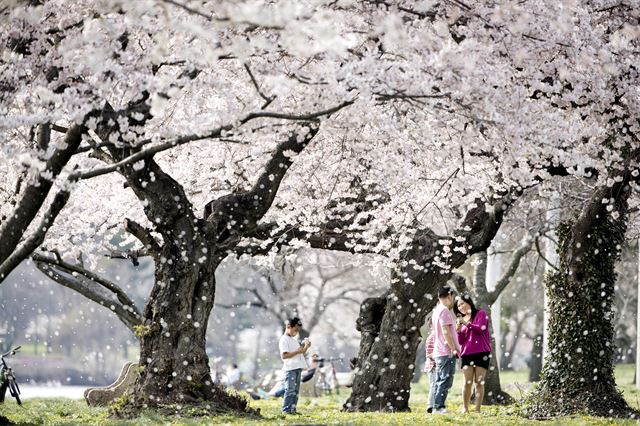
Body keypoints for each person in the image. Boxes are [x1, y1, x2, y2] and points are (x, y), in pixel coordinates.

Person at [454, 292, 491, 413]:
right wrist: (459, 331)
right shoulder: (462, 320)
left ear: (469, 302)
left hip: (481, 352)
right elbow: (461, 341)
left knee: (479, 382)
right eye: (458, 306)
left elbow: (480, 330)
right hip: (467, 353)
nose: (461, 307)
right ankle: (465, 408)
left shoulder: (481, 313)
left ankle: (477, 409)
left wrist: (466, 324)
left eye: (462, 304)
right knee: (467, 382)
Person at [431, 285, 460, 414]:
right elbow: (445, 331)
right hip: (445, 351)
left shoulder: (437, 310)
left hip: (439, 350)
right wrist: (453, 348)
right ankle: (439, 407)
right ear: (450, 296)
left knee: (439, 380)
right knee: (445, 380)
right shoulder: (444, 311)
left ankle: (435, 406)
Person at [278, 317, 310, 415]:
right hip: (290, 369)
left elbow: (300, 353)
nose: (296, 333)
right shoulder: (284, 340)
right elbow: (284, 355)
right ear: (289, 327)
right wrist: (297, 351)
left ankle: (293, 409)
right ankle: (286, 410)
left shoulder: (293, 340)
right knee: (290, 390)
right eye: (295, 330)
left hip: (297, 368)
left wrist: (306, 346)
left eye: (298, 331)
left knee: (295, 391)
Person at [423, 332, 436, 413]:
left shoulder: (437, 336)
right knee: (434, 386)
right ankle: (430, 406)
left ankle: (435, 405)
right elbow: (429, 354)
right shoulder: (432, 337)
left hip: (435, 366)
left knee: (436, 386)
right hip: (433, 366)